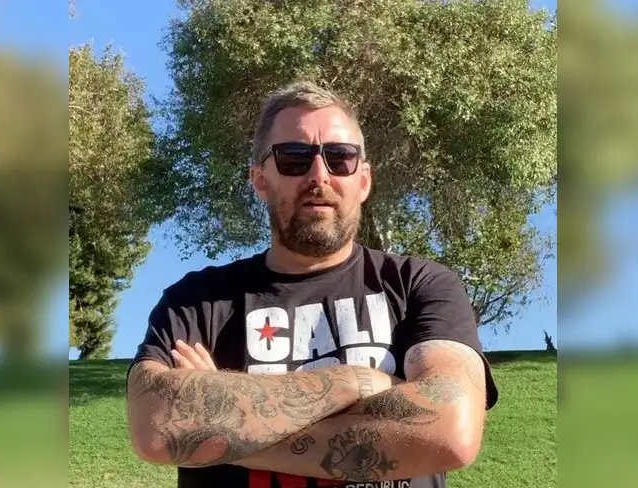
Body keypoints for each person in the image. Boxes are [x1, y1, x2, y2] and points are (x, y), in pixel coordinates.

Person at [126, 81, 499, 488]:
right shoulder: (196, 302)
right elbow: (157, 427)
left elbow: (450, 432)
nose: (319, 175)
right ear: (259, 179)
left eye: (340, 157)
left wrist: (216, 423)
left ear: (363, 181)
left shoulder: (420, 285)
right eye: (293, 158)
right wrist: (361, 383)